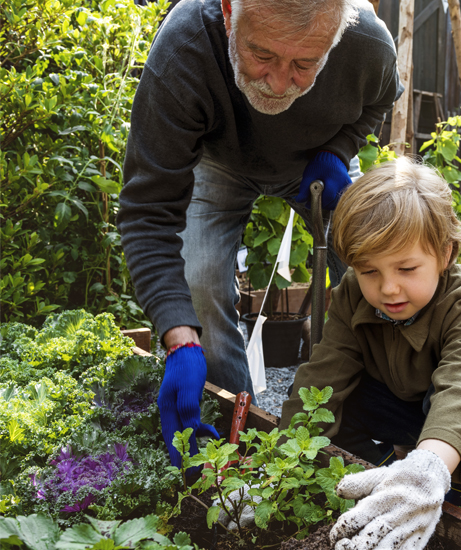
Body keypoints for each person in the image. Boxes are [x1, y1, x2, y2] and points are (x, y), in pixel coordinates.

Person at [116, 0, 402, 469]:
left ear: (335, 39)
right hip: (220, 164)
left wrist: (338, 149)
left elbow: (378, 100)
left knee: (375, 265)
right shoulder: (184, 48)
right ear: (229, 13)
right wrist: (179, 337)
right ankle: (238, 433)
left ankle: (366, 419)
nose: (277, 80)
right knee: (200, 285)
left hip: (316, 161)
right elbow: (149, 210)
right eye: (262, 54)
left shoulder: (366, 42)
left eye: (305, 64)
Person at [278, 157, 461, 550]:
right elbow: (324, 373)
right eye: (370, 271)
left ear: (445, 253)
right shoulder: (353, 293)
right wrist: (279, 465)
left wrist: (429, 469)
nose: (388, 289)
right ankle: (388, 477)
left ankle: (436, 493)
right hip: (412, 400)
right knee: (336, 401)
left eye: (406, 268)